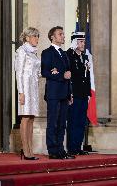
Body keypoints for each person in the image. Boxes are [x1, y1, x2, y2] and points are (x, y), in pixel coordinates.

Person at [41, 26, 75, 159]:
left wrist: (70, 92)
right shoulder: (47, 52)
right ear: (52, 37)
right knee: (53, 122)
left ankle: (61, 149)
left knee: (62, 123)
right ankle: (53, 151)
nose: (63, 36)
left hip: (64, 93)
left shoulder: (64, 53)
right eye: (60, 34)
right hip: (53, 93)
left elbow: (69, 75)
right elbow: (44, 72)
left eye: (63, 34)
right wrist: (61, 75)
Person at [15, 27, 41, 160]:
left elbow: (38, 71)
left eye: (37, 36)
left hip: (33, 88)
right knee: (25, 117)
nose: (37, 39)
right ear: (27, 38)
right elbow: (19, 72)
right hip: (25, 88)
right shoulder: (22, 51)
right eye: (34, 36)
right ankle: (25, 150)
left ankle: (30, 149)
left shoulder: (34, 53)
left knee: (31, 118)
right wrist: (21, 92)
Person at [66, 32, 91, 155]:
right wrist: (69, 93)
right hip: (74, 94)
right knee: (73, 121)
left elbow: (87, 77)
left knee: (81, 122)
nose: (83, 44)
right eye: (81, 42)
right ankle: (71, 148)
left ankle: (78, 147)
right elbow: (69, 78)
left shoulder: (85, 57)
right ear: (75, 42)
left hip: (83, 94)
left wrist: (88, 94)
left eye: (84, 42)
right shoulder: (69, 55)